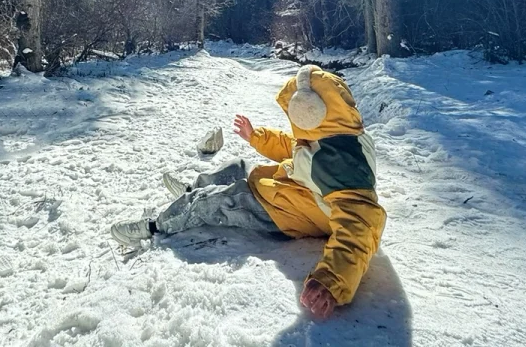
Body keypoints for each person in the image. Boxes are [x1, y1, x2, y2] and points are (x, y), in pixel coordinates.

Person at [111, 65, 387, 323]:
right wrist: (256, 136)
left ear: (309, 110)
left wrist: (331, 281)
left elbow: (361, 227)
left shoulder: (344, 167)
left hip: (284, 212)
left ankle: (156, 225)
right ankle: (192, 189)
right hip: (292, 188)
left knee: (217, 201)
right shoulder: (335, 133)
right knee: (237, 167)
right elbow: (295, 147)